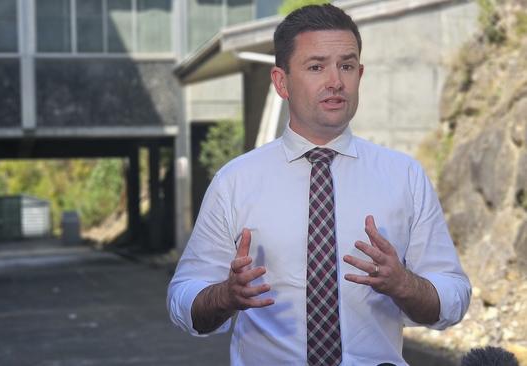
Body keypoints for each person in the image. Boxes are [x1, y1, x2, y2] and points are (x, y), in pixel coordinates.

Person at [167, 4, 471, 365]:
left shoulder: (404, 177)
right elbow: (183, 300)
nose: (335, 82)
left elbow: (453, 296)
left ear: (360, 74)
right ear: (282, 82)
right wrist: (225, 296)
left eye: (346, 66)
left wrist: (405, 284)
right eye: (316, 67)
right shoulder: (235, 182)